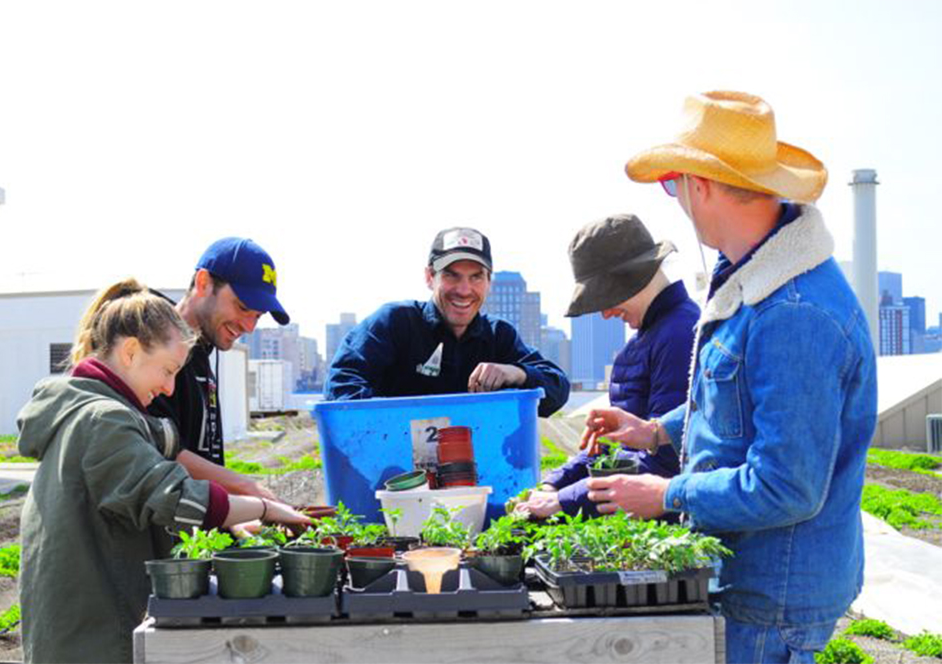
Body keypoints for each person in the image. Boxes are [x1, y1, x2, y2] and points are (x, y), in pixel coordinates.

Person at [584, 91, 877, 663]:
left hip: (773, 593)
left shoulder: (793, 313)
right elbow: (736, 393)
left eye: (673, 186)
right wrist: (656, 430)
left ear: (701, 185)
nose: (678, 201)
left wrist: (667, 493)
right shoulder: (757, 276)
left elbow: (787, 487)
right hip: (752, 577)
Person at [17, 279, 310, 664]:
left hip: (76, 627)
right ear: (131, 351)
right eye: (168, 370)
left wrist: (236, 517)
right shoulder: (102, 421)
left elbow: (153, 455)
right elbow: (175, 499)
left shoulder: (91, 410)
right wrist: (264, 508)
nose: (171, 389)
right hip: (93, 636)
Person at [518, 214, 698, 519]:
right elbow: (610, 451)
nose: (605, 313)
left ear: (632, 277)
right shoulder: (648, 338)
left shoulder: (680, 333)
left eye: (605, 296)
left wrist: (562, 500)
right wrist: (554, 484)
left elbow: (666, 463)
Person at [324, 226, 570, 417]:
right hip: (395, 460)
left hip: (478, 462)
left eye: (476, 277)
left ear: (489, 282)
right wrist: (399, 416)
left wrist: (516, 373)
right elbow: (341, 383)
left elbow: (557, 390)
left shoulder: (499, 335)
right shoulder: (394, 322)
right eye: (452, 276)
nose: (464, 290)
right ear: (430, 277)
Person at [148, 237, 290, 502]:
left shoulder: (203, 350)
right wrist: (246, 488)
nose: (249, 327)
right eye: (243, 307)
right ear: (203, 283)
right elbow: (155, 447)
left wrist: (237, 509)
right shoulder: (152, 344)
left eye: (257, 316)